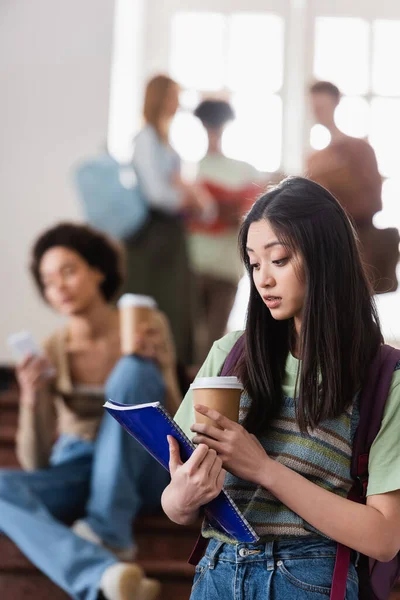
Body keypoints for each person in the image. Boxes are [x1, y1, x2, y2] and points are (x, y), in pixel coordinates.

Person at [161, 177, 400, 599]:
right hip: (215, 572)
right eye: (254, 264)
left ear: (326, 258)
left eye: (279, 259)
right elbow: (177, 502)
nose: (263, 280)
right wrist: (183, 497)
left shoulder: (382, 376)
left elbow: (383, 536)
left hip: (308, 578)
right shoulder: (230, 354)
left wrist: (263, 469)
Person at [1, 222, 181, 600]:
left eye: (68, 271)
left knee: (134, 369)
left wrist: (162, 370)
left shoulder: (146, 326)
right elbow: (34, 463)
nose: (59, 287)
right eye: (48, 281)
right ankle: (103, 574)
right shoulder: (52, 349)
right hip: (78, 468)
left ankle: (108, 529)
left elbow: (180, 423)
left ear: (97, 270)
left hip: (145, 468)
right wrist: (32, 399)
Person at [122, 74, 214, 365]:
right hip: (152, 238)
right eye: (173, 96)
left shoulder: (164, 140)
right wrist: (188, 198)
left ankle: (171, 366)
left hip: (170, 235)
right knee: (157, 302)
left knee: (176, 305)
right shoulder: (146, 139)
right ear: (160, 98)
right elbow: (157, 194)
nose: (177, 104)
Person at [307, 80, 399, 293]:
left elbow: (374, 202)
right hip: (326, 249)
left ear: (335, 104)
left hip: (358, 246)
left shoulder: (359, 150)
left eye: (322, 106)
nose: (317, 112)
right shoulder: (315, 159)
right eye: (314, 107)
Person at [189, 99, 261, 363]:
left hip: (227, 268)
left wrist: (209, 207)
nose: (213, 132)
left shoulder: (245, 170)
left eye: (216, 126)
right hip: (193, 265)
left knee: (213, 345)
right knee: (190, 343)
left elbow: (249, 216)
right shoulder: (190, 168)